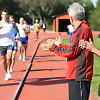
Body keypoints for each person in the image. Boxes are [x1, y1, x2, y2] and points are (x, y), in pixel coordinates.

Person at [41, 2, 94, 100]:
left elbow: (72, 51)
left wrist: (53, 48)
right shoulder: (80, 29)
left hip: (79, 75)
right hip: (76, 74)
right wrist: (59, 45)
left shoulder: (82, 29)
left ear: (71, 17)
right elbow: (75, 48)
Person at [0, 9, 17, 80]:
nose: (5, 16)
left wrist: (17, 34)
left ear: (8, 15)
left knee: (9, 58)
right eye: (3, 15)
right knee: (3, 60)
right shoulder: (0, 23)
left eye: (6, 14)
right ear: (1, 16)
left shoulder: (11, 22)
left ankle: (9, 70)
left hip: (10, 42)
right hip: (2, 43)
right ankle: (7, 72)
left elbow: (16, 28)